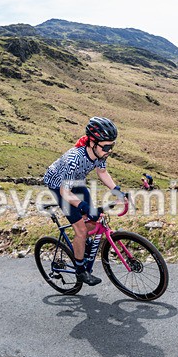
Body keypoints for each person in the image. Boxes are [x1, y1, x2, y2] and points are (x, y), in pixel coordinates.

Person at [43, 116, 123, 286]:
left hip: (76, 182)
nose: (109, 150)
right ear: (93, 142)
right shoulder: (74, 159)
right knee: (81, 230)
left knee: (93, 219)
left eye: (112, 146)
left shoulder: (100, 152)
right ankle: (80, 271)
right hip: (59, 186)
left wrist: (117, 191)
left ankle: (81, 244)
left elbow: (102, 173)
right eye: (106, 146)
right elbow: (65, 192)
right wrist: (84, 207)